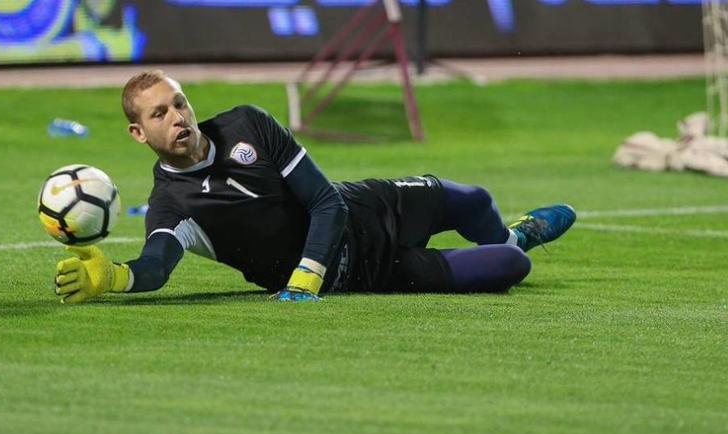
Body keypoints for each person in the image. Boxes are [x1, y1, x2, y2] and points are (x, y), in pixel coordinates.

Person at [53, 70, 576, 303]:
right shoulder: (171, 206)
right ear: (139, 133)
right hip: (366, 273)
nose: (178, 117)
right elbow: (156, 267)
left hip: (365, 207)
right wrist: (114, 278)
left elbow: (324, 200)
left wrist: (306, 274)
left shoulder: (246, 124)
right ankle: (516, 249)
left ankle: (517, 232)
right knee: (511, 269)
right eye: (160, 113)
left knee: (476, 201)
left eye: (180, 103)